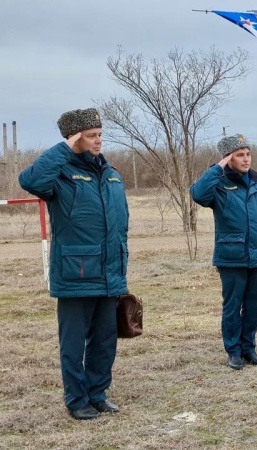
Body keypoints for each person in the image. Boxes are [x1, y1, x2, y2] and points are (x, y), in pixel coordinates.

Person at [18, 108, 128, 420]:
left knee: (105, 341)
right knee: (73, 343)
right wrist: (65, 148)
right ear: (74, 137)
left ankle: (98, 394)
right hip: (76, 272)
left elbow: (121, 224)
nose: (98, 141)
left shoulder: (111, 174)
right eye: (90, 136)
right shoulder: (60, 174)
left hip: (109, 272)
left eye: (99, 135)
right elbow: (30, 180)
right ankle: (77, 400)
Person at [190, 134, 257, 370]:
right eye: (239, 155)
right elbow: (198, 194)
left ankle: (249, 347)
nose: (246, 159)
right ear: (228, 158)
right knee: (232, 306)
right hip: (231, 256)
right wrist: (217, 168)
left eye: (248, 154)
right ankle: (233, 351)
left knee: (252, 305)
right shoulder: (218, 185)